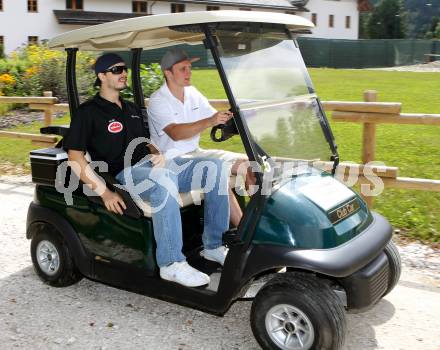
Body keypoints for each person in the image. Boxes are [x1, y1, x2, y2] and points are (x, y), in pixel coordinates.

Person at [64, 53, 230, 288]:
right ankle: (171, 264)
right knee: (164, 179)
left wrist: (157, 151)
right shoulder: (88, 112)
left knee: (213, 167)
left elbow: (145, 140)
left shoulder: (131, 108)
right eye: (116, 70)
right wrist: (105, 192)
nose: (123, 74)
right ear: (101, 76)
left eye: (124, 69)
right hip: (124, 175)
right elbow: (75, 157)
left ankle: (213, 246)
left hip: (151, 166)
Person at [147, 49, 255, 227]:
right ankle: (244, 235)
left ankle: (258, 224)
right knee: (217, 172)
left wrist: (238, 118)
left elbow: (214, 118)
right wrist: (210, 121)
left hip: (196, 153)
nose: (188, 73)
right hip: (172, 161)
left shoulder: (192, 93)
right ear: (167, 72)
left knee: (250, 166)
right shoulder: (158, 100)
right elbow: (176, 132)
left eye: (190, 68)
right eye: (182, 69)